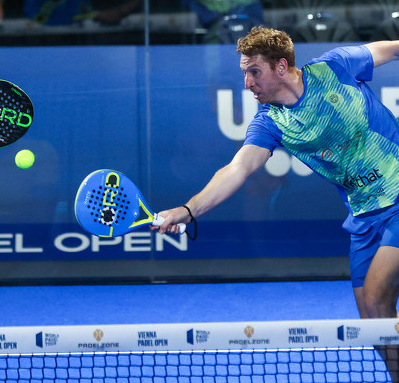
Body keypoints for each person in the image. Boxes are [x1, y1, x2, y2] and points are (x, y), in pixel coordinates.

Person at [154, 26, 399, 378]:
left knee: (377, 299)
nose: (248, 83)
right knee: (373, 322)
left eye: (254, 72)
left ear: (281, 67)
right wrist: (188, 210)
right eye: (244, 73)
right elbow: (237, 169)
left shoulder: (335, 68)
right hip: (363, 216)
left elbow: (390, 49)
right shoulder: (270, 123)